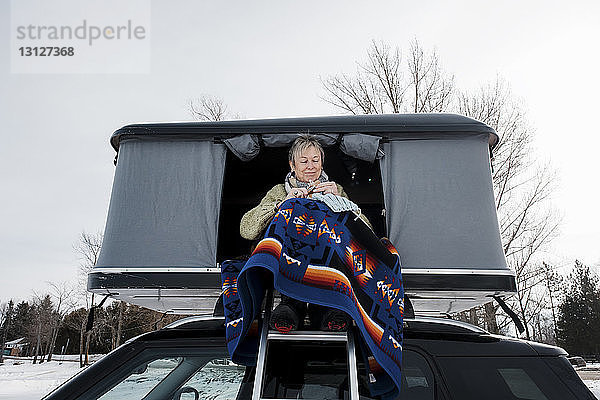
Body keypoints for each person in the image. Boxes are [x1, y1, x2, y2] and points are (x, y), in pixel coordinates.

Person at [240, 134, 370, 332]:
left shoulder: (336, 190)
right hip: (289, 266)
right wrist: (281, 205)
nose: (310, 166)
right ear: (292, 165)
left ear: (322, 164)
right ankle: (291, 303)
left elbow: (367, 230)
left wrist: (339, 202)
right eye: (304, 161)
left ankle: (327, 306)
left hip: (328, 268)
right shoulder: (279, 191)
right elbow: (246, 228)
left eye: (315, 160)